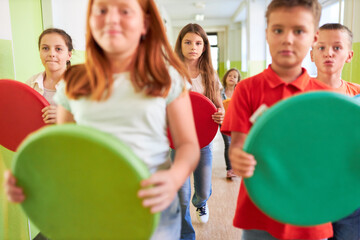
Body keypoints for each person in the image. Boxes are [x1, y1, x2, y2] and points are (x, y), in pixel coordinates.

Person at [4, 0, 200, 239]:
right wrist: (34, 182)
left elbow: (188, 145)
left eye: (125, 11)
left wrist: (174, 177)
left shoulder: (165, 76)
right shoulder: (75, 82)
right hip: (92, 206)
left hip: (151, 210)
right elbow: (65, 152)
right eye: (102, 10)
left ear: (145, 23)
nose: (111, 18)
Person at [221, 0, 334, 239]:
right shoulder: (246, 89)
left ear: (314, 38)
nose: (287, 39)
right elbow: (238, 146)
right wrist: (239, 159)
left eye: (299, 31)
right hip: (261, 206)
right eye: (278, 30)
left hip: (310, 208)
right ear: (266, 34)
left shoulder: (326, 97)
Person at [173, 23, 224, 239]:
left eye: (198, 43)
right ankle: (187, 235)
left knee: (202, 190)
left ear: (204, 47)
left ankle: (201, 202)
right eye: (188, 42)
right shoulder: (171, 73)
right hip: (178, 142)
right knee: (181, 195)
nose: (193, 47)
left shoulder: (209, 74)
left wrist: (221, 113)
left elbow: (218, 104)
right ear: (180, 44)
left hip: (204, 142)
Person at [311, 23, 360, 240]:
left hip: (351, 196)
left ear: (349, 55)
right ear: (311, 54)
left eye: (337, 47)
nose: (328, 52)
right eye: (321, 47)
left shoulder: (357, 94)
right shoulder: (295, 95)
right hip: (311, 191)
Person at [26, 28, 73, 124]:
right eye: (45, 48)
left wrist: (66, 118)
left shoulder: (81, 84)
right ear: (39, 52)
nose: (51, 54)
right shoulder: (30, 83)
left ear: (69, 55)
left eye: (58, 49)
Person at [220, 68, 241, 179]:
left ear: (237, 80)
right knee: (228, 143)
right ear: (226, 78)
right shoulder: (219, 92)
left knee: (236, 144)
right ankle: (230, 169)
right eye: (230, 75)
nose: (232, 78)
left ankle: (236, 166)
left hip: (236, 121)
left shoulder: (239, 92)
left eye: (234, 76)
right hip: (223, 121)